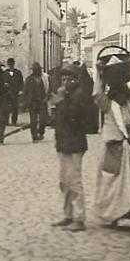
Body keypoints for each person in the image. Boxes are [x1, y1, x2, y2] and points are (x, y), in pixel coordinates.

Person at [93, 52, 130, 230]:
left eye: (121, 89)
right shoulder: (108, 104)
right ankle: (114, 216)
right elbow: (97, 93)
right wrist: (99, 74)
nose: (118, 93)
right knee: (112, 183)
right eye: (115, 90)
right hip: (115, 148)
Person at [48, 66, 90, 231]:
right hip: (64, 143)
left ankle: (79, 218)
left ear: (75, 80)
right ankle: (68, 215)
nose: (64, 82)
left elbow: (74, 118)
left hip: (75, 144)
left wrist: (61, 103)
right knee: (64, 181)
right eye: (63, 79)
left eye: (68, 79)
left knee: (74, 181)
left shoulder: (78, 95)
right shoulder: (65, 95)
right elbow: (58, 121)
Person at [24, 63, 49, 142]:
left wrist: (46, 98)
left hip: (42, 102)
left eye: (38, 69)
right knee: (33, 120)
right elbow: (25, 91)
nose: (38, 71)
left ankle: (41, 132)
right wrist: (25, 102)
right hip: (33, 103)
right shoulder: (29, 79)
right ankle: (34, 136)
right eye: (36, 70)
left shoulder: (43, 79)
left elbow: (46, 89)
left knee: (43, 120)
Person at [4, 58, 25, 126]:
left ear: (14, 64)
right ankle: (6, 121)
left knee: (15, 108)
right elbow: (2, 81)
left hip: (15, 92)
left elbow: (21, 82)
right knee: (6, 108)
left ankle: (14, 121)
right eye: (9, 64)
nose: (11, 65)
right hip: (7, 93)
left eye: (12, 64)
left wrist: (21, 90)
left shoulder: (18, 72)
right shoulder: (5, 73)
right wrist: (4, 84)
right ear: (8, 64)